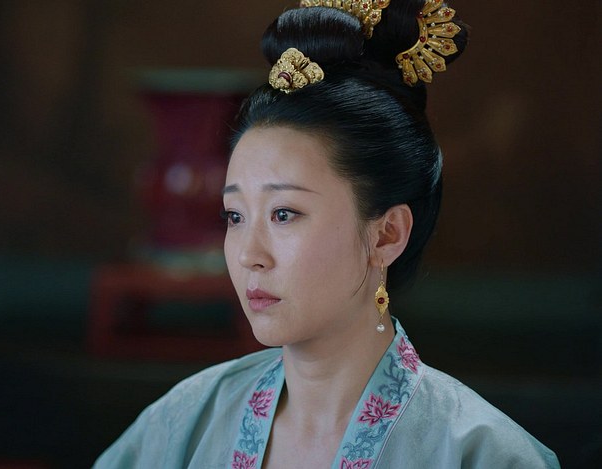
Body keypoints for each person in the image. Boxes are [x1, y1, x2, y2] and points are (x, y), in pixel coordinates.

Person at [94, 0, 560, 467]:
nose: (249, 255)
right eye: (235, 216)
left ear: (386, 235)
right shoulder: (185, 421)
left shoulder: (480, 452)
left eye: (284, 214)